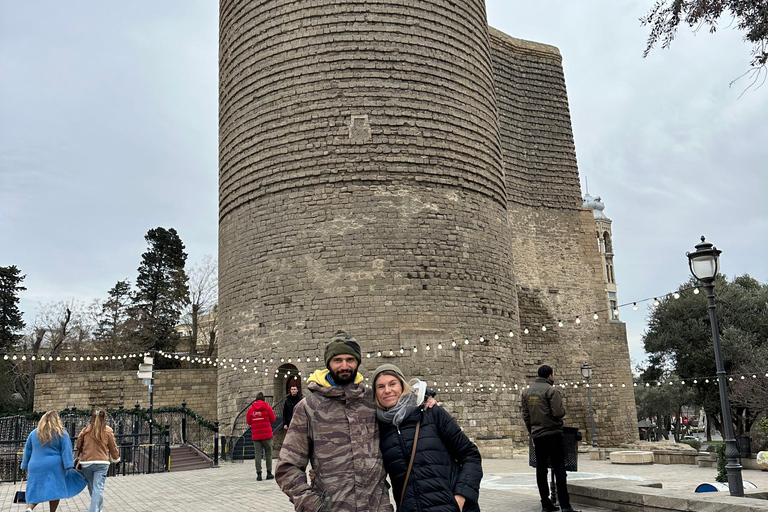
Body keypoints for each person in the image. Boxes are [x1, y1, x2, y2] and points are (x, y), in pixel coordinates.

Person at [275, 332, 395, 512]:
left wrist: (429, 404)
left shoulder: (372, 401)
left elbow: (405, 414)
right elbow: (287, 467)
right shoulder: (308, 407)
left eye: (350, 360)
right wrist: (313, 506)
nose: (344, 366)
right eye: (338, 360)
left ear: (358, 362)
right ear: (328, 363)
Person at [372, 364, 482, 512]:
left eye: (392, 384)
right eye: (380, 386)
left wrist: (461, 497)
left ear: (402, 386)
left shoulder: (429, 412)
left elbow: (470, 455)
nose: (387, 390)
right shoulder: (378, 428)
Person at [521, 365, 580, 512]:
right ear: (550, 376)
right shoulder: (551, 391)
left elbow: (526, 416)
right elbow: (558, 413)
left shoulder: (526, 393)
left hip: (538, 435)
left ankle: (545, 504)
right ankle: (565, 505)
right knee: (559, 469)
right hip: (553, 434)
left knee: (541, 470)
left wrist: (532, 432)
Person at [20, 410, 87, 512]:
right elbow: (66, 450)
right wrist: (69, 465)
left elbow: (27, 451)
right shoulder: (61, 433)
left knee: (35, 489)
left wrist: (24, 465)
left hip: (35, 465)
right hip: (55, 466)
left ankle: (30, 508)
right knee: (55, 490)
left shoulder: (34, 433)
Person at [76, 408, 120, 512]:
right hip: (102, 462)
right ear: (104, 418)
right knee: (98, 487)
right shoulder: (107, 431)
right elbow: (113, 448)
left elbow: (78, 446)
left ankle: (97, 508)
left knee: (92, 487)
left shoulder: (85, 431)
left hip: (86, 462)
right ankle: (94, 510)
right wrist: (116, 459)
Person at [247, 391, 276, 481]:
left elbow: (248, 422)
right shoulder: (267, 408)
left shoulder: (251, 410)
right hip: (267, 434)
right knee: (268, 453)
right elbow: (273, 419)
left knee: (258, 454)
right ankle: (269, 473)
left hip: (256, 435)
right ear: (263, 399)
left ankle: (259, 474)